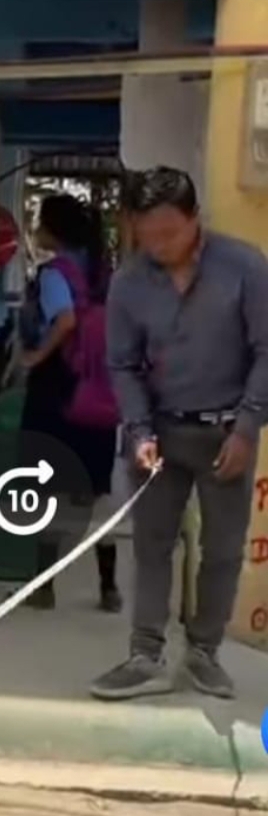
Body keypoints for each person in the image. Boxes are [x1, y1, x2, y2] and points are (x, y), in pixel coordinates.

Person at [94, 166, 268, 700]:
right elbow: (122, 364)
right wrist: (138, 429)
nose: (159, 245)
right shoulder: (129, 283)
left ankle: (203, 653)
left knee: (221, 549)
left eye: (169, 232)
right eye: (147, 234)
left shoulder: (244, 268)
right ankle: (145, 654)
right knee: (152, 545)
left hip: (226, 434)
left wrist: (247, 427)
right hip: (159, 434)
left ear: (195, 219)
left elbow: (267, 351)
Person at [17, 193, 122, 612]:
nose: (37, 229)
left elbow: (65, 321)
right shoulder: (103, 275)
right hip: (100, 391)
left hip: (58, 387)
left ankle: (43, 586)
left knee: (46, 487)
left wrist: (35, 357)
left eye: (41, 222)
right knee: (93, 494)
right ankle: (109, 587)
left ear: (54, 229)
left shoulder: (55, 274)